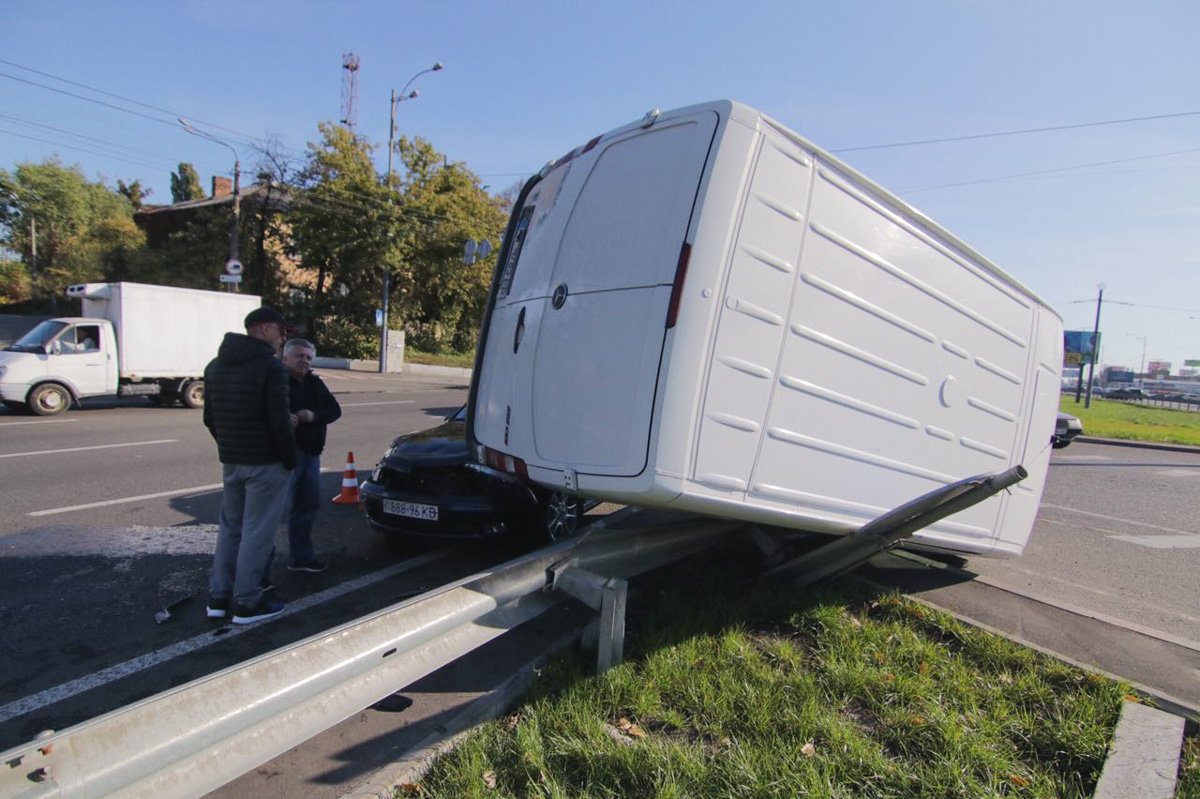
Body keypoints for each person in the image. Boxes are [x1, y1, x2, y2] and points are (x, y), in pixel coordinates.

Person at [202, 306, 296, 625]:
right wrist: (289, 460)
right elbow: (279, 423)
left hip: (232, 460)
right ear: (267, 329)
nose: (284, 339)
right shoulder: (271, 369)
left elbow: (209, 419)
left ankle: (218, 598)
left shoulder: (215, 366)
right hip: (266, 464)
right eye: (282, 332)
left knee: (230, 528)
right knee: (257, 532)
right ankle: (247, 603)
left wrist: (231, 446)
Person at [280, 337, 341, 573]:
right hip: (286, 456)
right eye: (299, 356)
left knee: (306, 508)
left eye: (308, 357)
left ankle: (301, 558)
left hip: (311, 455)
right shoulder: (277, 381)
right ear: (285, 357)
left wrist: (312, 416)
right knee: (273, 513)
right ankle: (260, 572)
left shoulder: (314, 383)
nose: (304, 361)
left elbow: (334, 410)